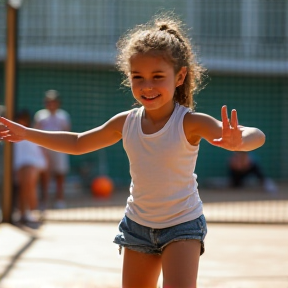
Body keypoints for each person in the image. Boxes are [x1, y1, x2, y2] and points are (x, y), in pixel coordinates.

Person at [0, 14, 265, 288]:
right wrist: (26, 133)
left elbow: (257, 135)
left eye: (157, 76)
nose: (147, 85)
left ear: (180, 76)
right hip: (137, 227)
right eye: (138, 77)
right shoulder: (125, 122)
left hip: (183, 225)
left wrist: (240, 141)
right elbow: (78, 142)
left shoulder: (189, 122)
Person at [34, 90, 71, 209]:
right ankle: (43, 201)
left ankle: (59, 200)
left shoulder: (63, 116)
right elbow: (36, 130)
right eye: (49, 101)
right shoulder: (40, 115)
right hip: (44, 150)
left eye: (53, 101)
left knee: (60, 174)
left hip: (60, 149)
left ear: (58, 103)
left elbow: (67, 132)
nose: (51, 104)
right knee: (44, 175)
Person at [13, 110, 47, 224]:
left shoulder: (33, 133)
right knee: (24, 187)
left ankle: (30, 212)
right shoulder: (13, 135)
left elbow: (40, 153)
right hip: (19, 165)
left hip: (33, 165)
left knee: (29, 186)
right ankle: (23, 212)